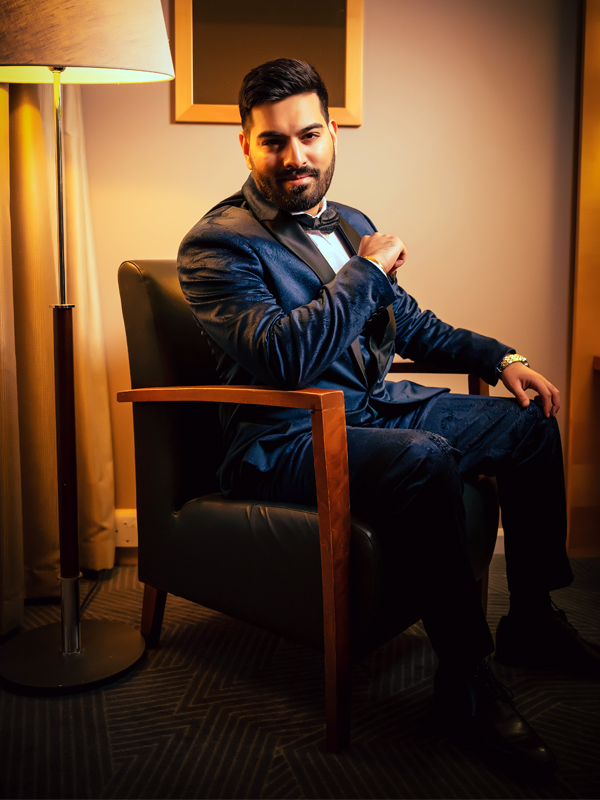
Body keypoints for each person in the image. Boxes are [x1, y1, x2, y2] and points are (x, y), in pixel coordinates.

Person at [178, 58, 599, 778]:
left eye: (309, 135)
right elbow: (282, 358)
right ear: (244, 145)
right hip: (289, 438)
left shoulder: (350, 224)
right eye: (273, 141)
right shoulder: (219, 245)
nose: (295, 156)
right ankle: (466, 679)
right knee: (422, 455)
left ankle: (531, 620)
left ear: (332, 132)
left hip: (371, 413)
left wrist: (502, 356)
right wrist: (365, 272)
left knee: (529, 420)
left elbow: (411, 327)